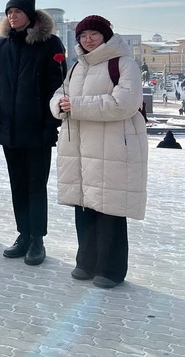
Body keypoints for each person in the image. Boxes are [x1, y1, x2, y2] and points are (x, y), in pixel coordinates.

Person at [51, 15, 148, 288]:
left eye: (93, 34)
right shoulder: (76, 67)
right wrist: (59, 104)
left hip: (114, 146)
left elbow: (124, 103)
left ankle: (111, 269)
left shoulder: (123, 63)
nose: (88, 39)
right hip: (80, 147)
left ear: (105, 35)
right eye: (83, 36)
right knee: (85, 204)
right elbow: (60, 95)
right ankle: (87, 261)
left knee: (110, 207)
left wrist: (76, 105)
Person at [0, 0, 66, 266]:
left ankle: (37, 239)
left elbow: (57, 86)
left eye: (18, 11)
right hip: (9, 127)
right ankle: (23, 234)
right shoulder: (1, 45)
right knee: (18, 184)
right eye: (9, 12)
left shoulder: (49, 43)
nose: (13, 16)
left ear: (30, 15)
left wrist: (50, 124)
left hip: (37, 128)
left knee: (35, 185)